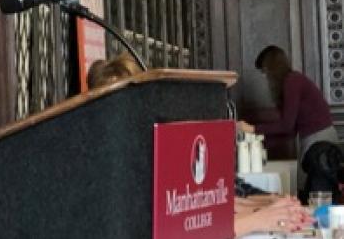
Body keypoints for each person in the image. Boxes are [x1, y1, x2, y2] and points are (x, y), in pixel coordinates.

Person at [85, 54, 314, 237]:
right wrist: (260, 217)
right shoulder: (107, 161)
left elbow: (205, 204)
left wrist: (265, 206)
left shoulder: (150, 145)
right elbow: (176, 227)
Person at [239, 45, 343, 202]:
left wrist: (251, 129)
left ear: (271, 66)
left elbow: (286, 126)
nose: (265, 76)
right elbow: (289, 129)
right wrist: (259, 144)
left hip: (320, 146)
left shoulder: (292, 81)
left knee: (319, 199)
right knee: (315, 198)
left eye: (264, 71)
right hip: (319, 144)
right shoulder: (295, 81)